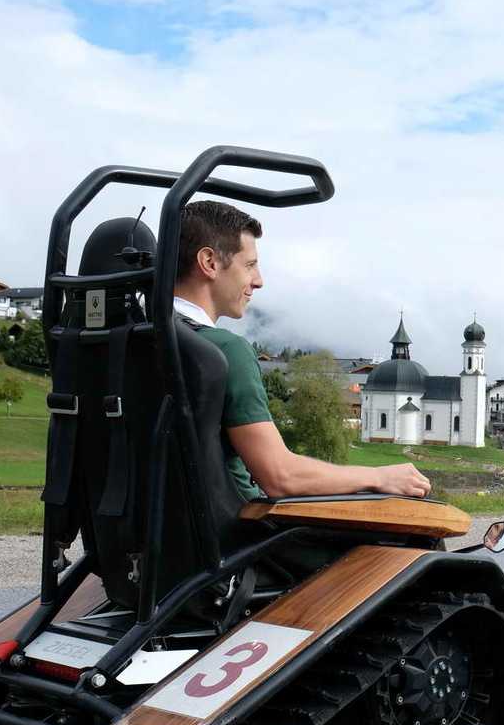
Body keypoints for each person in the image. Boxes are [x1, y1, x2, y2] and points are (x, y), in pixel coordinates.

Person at [171, 200, 430, 500]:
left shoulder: (131, 341)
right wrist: (380, 476)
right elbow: (280, 477)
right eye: (250, 265)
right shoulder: (224, 352)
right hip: (239, 535)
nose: (258, 281)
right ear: (209, 263)